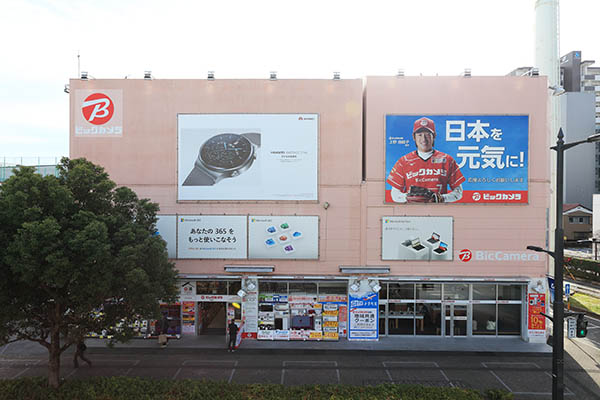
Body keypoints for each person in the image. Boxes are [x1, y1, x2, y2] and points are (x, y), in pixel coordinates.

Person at [387, 117, 465, 203]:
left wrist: (442, 198)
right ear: (414, 137)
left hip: (439, 212)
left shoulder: (447, 160)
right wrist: (408, 197)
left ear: (434, 136)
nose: (423, 139)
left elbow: (458, 193)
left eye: (427, 134)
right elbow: (394, 194)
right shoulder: (403, 161)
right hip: (412, 212)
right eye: (420, 135)